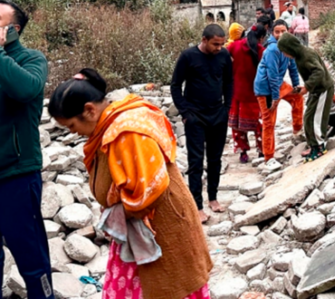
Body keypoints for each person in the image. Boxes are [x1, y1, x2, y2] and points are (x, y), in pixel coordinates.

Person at [48, 70, 213, 299]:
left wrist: (115, 214)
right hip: (137, 229)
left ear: (89, 110)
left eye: (72, 126)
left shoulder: (126, 132)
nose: (73, 133)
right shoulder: (109, 125)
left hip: (161, 227)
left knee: (166, 287)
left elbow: (148, 189)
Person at [0, 0, 52, 299]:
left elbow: (25, 90)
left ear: (13, 29)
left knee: (31, 257)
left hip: (17, 174)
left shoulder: (32, 60)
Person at [171, 24, 232, 220]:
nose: (218, 48)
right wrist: (185, 112)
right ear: (204, 40)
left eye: (222, 44)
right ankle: (197, 205)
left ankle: (213, 198)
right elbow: (175, 85)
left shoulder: (223, 56)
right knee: (195, 162)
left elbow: (229, 82)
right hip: (195, 116)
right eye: (215, 44)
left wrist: (227, 108)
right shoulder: (188, 56)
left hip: (218, 115)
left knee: (215, 159)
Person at [278, 33, 334, 162]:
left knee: (316, 119)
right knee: (308, 117)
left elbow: (319, 71)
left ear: (290, 48)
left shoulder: (306, 55)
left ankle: (320, 147)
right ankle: (313, 145)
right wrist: (302, 87)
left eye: (284, 52)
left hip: (323, 89)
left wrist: (306, 87)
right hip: (316, 89)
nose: (284, 54)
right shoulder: (299, 55)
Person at [254, 20, 304, 163]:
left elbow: (293, 67)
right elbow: (272, 74)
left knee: (297, 98)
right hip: (265, 88)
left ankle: (297, 131)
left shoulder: (288, 47)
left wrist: (296, 86)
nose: (280, 34)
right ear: (272, 32)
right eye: (277, 32)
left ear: (289, 31)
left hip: (277, 83)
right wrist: (275, 97)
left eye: (283, 31)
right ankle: (268, 157)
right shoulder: (272, 50)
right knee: (269, 121)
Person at [228, 24, 268, 163]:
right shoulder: (261, 50)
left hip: (237, 92)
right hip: (255, 94)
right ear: (261, 38)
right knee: (259, 124)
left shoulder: (234, 46)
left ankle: (243, 152)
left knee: (238, 126)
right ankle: (262, 150)